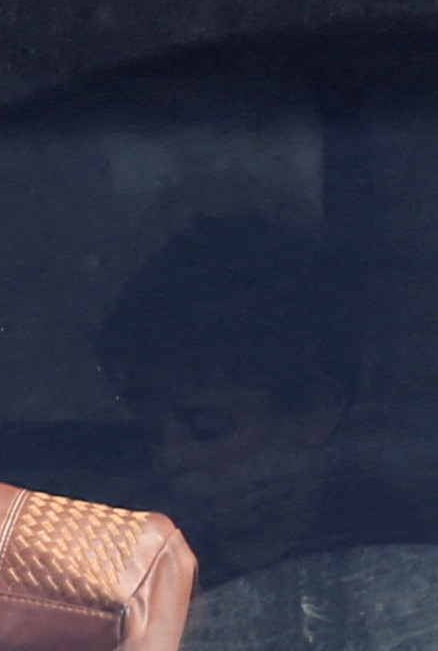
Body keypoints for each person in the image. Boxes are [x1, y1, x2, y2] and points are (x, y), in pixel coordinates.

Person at [91, 215, 418, 582]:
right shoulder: (124, 558)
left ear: (317, 412)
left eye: (209, 428)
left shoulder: (399, 560)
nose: (173, 458)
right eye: (153, 433)